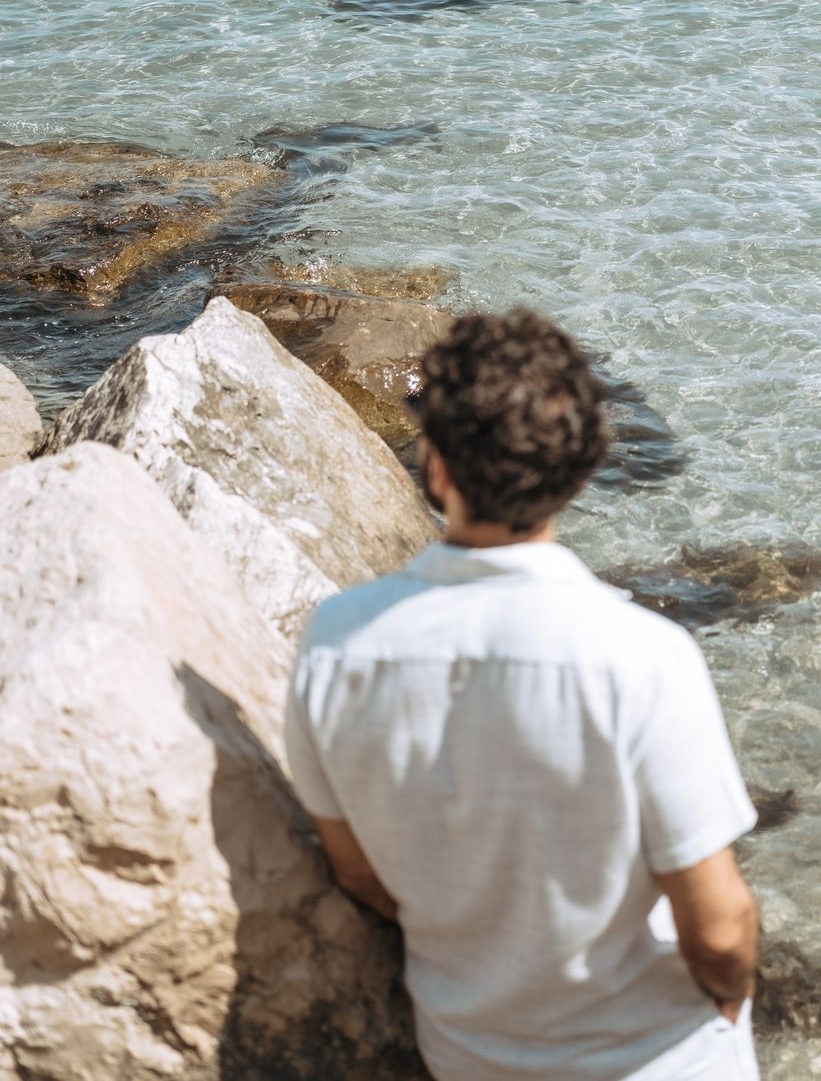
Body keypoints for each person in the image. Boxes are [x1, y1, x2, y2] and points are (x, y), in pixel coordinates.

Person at [285, 308, 761, 1081]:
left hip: (471, 1055)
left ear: (434, 464)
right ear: (580, 468)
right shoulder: (644, 659)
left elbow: (361, 875)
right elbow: (718, 926)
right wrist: (730, 998)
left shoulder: (336, 643)